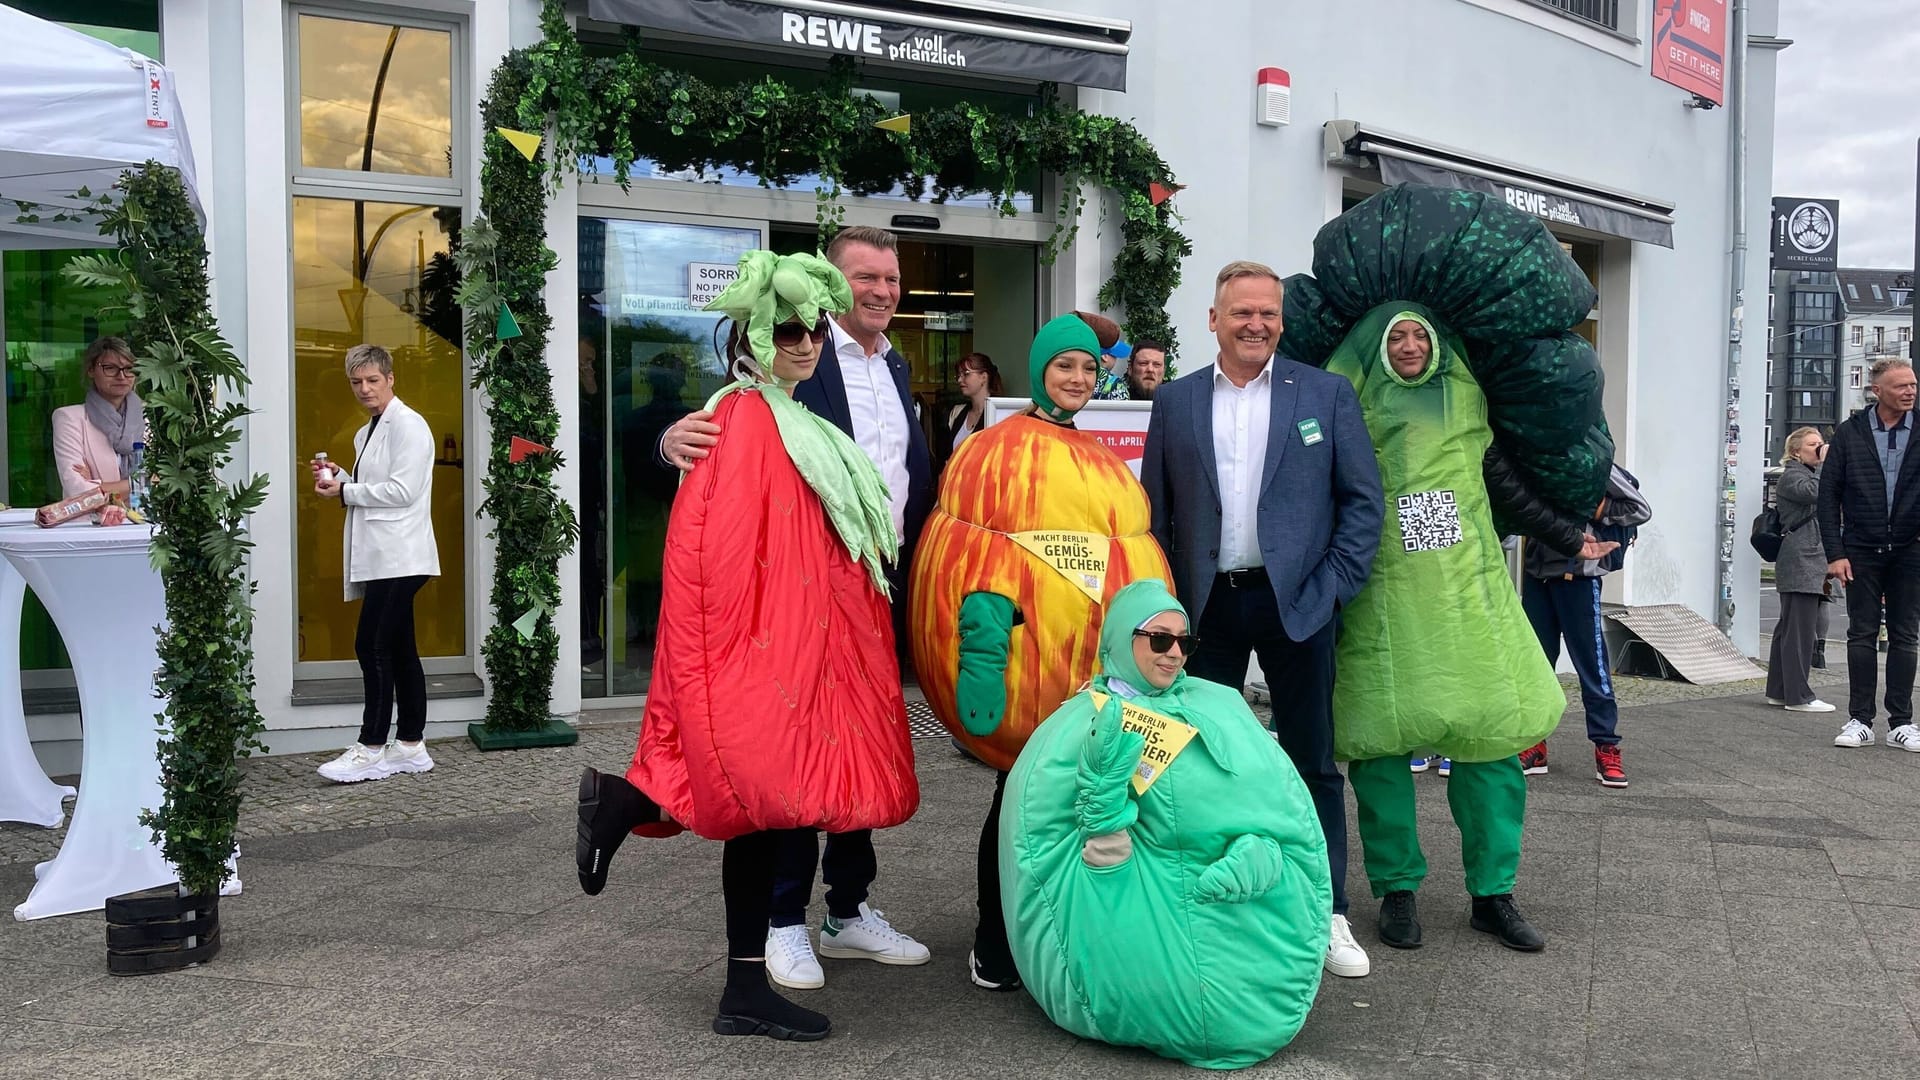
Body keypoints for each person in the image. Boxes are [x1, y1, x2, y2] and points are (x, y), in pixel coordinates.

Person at [573, 250, 917, 1042]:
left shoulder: (787, 417)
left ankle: (740, 985)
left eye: (815, 330)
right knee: (756, 802)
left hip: (792, 653)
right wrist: (755, 660)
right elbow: (719, 553)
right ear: (752, 337)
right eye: (789, 330)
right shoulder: (742, 419)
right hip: (765, 655)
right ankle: (631, 817)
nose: (806, 344)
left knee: (761, 810)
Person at [1280, 186, 1622, 956]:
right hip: (1379, 601)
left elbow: (1502, 481)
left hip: (1468, 601)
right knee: (1377, 753)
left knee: (1491, 740)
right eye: (1395, 336)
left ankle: (1492, 892)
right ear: (1372, 345)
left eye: (1419, 336)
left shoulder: (1469, 405)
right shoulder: (1340, 408)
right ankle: (1396, 890)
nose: (1408, 346)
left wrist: (1569, 528)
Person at [657, 226, 933, 988]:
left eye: (890, 278)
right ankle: (784, 921)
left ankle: (847, 910)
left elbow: (909, 473)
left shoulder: (897, 363)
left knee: (860, 743)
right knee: (790, 747)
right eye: (865, 278)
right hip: (800, 589)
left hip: (875, 580)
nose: (880, 291)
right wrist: (671, 438)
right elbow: (724, 426)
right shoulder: (796, 359)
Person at [908, 313, 1170, 991]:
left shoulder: (1102, 462)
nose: (1078, 379)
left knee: (1072, 811)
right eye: (1064, 366)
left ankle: (1058, 936)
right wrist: (985, 653)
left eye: (1088, 368)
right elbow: (980, 569)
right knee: (1016, 805)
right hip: (1024, 672)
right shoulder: (994, 451)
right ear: (1038, 369)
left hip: (1085, 677)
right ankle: (994, 942)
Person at [1140, 260, 1383, 980]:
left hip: (1299, 605)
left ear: (1282, 321)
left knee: (1312, 762)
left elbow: (1362, 505)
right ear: (1212, 320)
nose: (1256, 325)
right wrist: (1164, 607)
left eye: (1268, 314)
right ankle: (1205, 902)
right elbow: (1153, 513)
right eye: (1241, 312)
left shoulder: (1326, 395)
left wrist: (1332, 587)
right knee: (1197, 759)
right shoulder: (1177, 402)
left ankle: (1327, 909)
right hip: (1205, 607)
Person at [1000, 580, 1330, 1070]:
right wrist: (1104, 823)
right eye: (1160, 639)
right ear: (1118, 640)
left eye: (1185, 642)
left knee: (1245, 991)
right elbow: (1041, 840)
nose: (1174, 653)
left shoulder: (1219, 706)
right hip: (1120, 888)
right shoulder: (1076, 726)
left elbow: (1278, 804)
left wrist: (1260, 848)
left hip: (1230, 878)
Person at [311, 344, 441, 783]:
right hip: (386, 555)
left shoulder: (410, 426)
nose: (364, 389)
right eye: (356, 382)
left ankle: (370, 747)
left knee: (372, 646)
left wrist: (347, 492)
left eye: (372, 380)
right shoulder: (365, 433)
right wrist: (341, 480)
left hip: (402, 556)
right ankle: (410, 745)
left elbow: (403, 491)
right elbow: (377, 487)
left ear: (390, 379)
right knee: (400, 648)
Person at [1518, 461, 1654, 786]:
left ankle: (1607, 746)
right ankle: (1534, 744)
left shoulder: (1594, 460)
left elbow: (1640, 508)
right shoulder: (1533, 455)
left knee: (1592, 668)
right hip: (1537, 573)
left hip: (1579, 575)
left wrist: (1594, 508)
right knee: (1535, 667)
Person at [1817, 357, 1920, 751]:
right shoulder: (1851, 432)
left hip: (1910, 549)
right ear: (1877, 391)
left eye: (1912, 384)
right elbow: (1829, 496)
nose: (1910, 391)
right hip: (1860, 548)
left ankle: (1902, 722)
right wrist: (1835, 552)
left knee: (1905, 635)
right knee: (1861, 634)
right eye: (1901, 386)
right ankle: (1860, 719)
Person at [1766, 427, 1835, 715]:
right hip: (1801, 559)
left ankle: (1780, 691)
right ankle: (1798, 696)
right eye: (1813, 444)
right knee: (1800, 631)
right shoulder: (1793, 476)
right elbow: (1815, 494)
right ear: (1796, 451)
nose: (1819, 448)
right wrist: (1826, 465)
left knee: (1789, 628)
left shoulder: (1803, 474)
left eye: (1821, 443)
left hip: (1806, 558)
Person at [53, 336, 141, 500]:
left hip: (145, 522)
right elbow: (78, 492)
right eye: (110, 368)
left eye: (129, 368)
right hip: (92, 523)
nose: (121, 376)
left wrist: (98, 485)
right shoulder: (69, 419)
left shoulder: (150, 419)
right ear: (91, 370)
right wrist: (142, 483)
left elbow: (166, 484)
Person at [944, 351, 1002, 456]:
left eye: (966, 374)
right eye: (958, 375)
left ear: (983, 377)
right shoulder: (957, 413)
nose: (959, 379)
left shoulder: (999, 415)